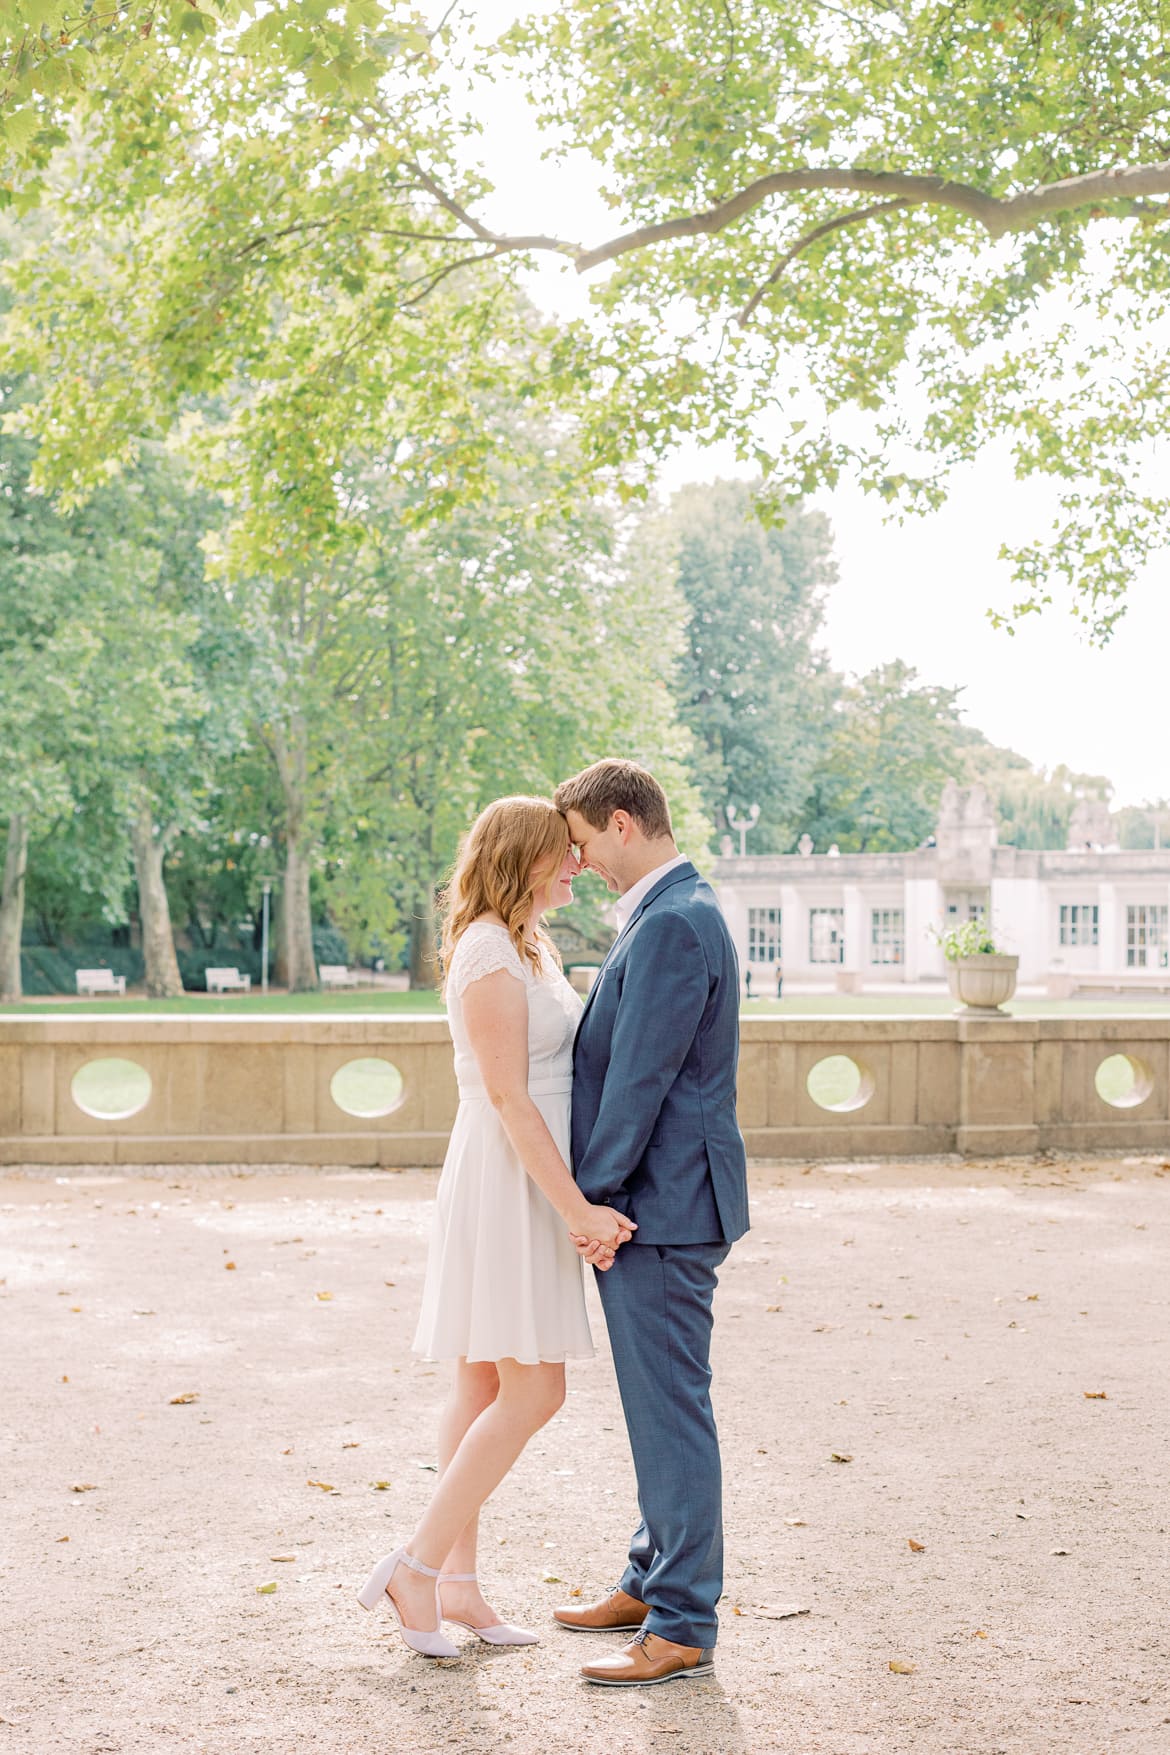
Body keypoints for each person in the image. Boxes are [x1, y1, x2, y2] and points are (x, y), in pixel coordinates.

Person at [358, 797, 635, 1657]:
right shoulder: (484, 948)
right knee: (534, 1390)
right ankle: (416, 1564)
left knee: (480, 1388)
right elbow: (512, 1098)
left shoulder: (528, 942)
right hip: (508, 1178)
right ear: (521, 857)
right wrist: (577, 1209)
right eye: (562, 853)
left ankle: (458, 1586)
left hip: (526, 1173)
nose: (576, 865)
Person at [551, 759, 749, 1688]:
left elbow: (639, 1083)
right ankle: (648, 1578)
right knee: (657, 1404)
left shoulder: (673, 924)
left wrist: (588, 1203)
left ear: (623, 823)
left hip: (657, 1210)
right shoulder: (676, 913)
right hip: (660, 1203)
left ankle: (679, 1621)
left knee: (671, 1410)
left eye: (584, 844)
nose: (580, 864)